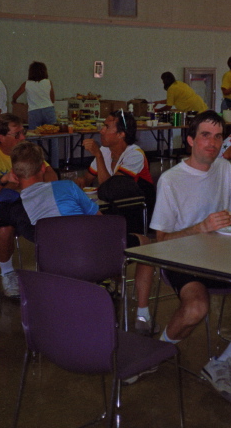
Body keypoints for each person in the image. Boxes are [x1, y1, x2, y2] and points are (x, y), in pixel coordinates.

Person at [143, 110, 231, 403]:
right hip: (182, 259)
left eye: (217, 137)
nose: (212, 143)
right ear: (190, 140)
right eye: (205, 136)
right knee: (196, 309)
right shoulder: (171, 180)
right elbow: (160, 241)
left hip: (225, 257)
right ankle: (156, 352)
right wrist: (200, 228)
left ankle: (224, 360)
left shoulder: (223, 167)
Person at [0, 141, 100, 295]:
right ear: (43, 168)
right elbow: (100, 220)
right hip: (96, 259)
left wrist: (2, 180)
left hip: (56, 269)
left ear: (14, 174)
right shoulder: (69, 187)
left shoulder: (17, 208)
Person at [76, 109, 158, 334]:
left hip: (136, 215)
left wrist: (98, 156)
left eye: (106, 126)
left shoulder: (134, 155)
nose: (101, 130)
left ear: (121, 134)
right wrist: (78, 183)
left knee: (136, 246)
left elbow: (109, 189)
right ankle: (108, 280)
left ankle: (137, 307)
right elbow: (89, 179)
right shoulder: (105, 150)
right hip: (113, 214)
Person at [0, 114, 57, 297]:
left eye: (23, 132)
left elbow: (51, 175)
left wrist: (21, 182)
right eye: (17, 134)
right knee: (5, 227)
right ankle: (7, 273)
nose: (22, 137)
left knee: (55, 218)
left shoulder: (25, 151)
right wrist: (29, 180)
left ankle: (55, 273)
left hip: (23, 203)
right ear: (1, 137)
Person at [11, 61, 58, 167]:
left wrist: (14, 102)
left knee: (34, 140)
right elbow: (52, 99)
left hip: (34, 112)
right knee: (53, 139)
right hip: (48, 110)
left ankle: (35, 166)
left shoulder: (26, 84)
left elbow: (15, 95)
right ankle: (55, 166)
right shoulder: (48, 82)